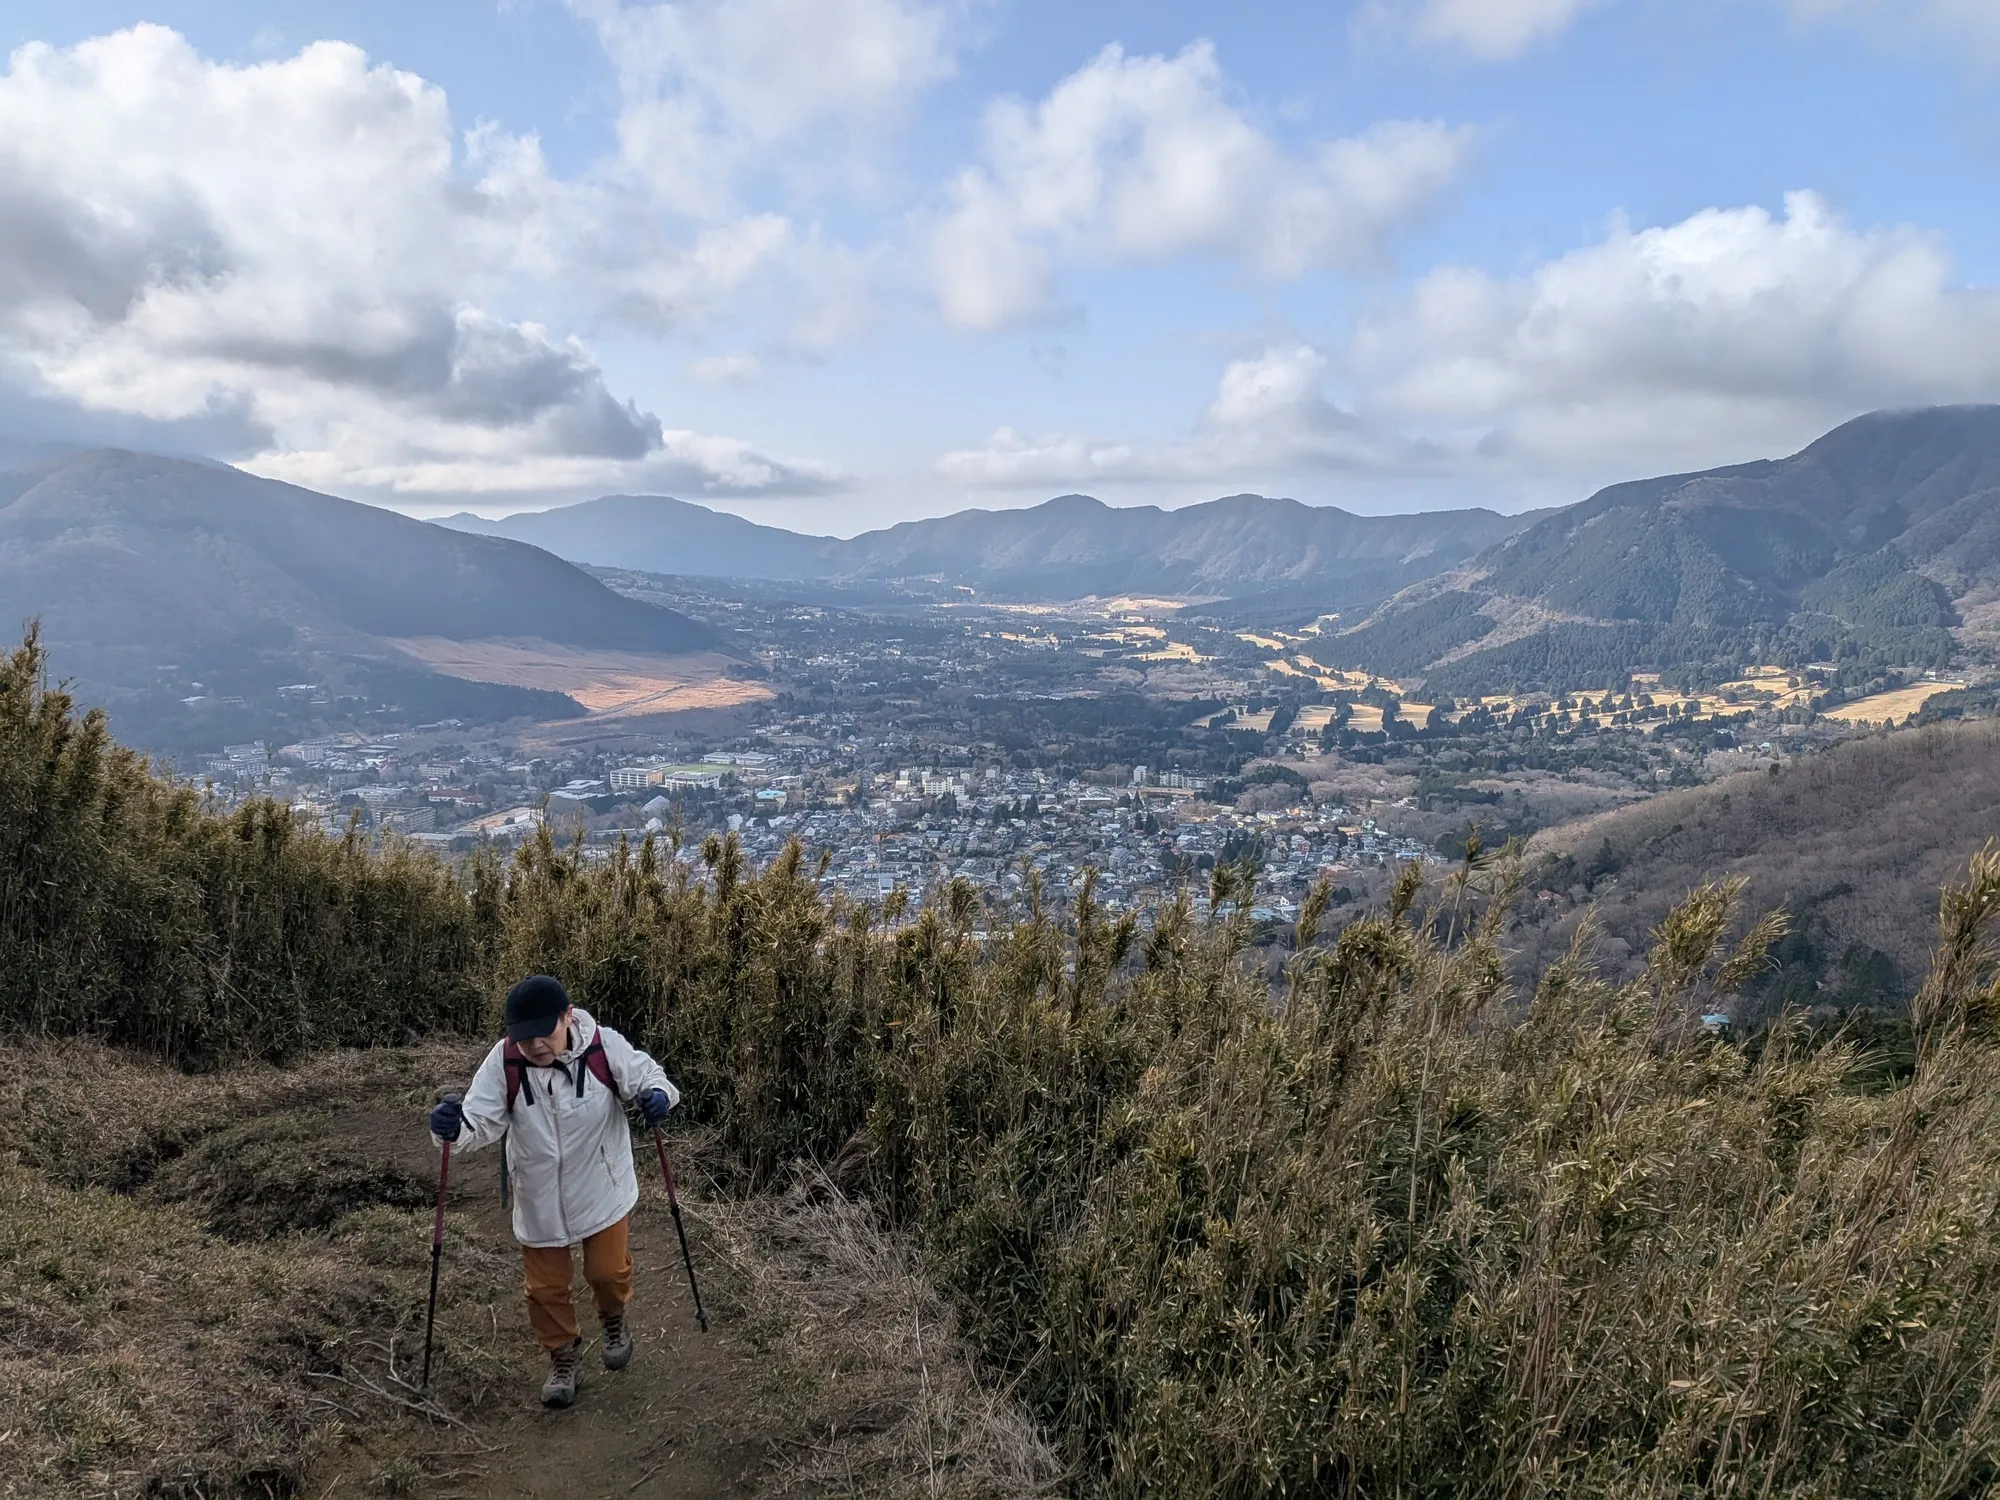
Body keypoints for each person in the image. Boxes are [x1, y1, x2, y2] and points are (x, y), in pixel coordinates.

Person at [428, 974, 679, 1407]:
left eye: (543, 1034)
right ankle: (563, 1357)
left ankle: (613, 1318)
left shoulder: (602, 1046)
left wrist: (658, 1096)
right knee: (544, 1291)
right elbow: (478, 1119)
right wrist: (451, 1130)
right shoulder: (504, 1061)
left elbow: (650, 1077)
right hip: (537, 1194)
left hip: (602, 1186)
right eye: (524, 1039)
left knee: (607, 1273)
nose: (535, 1046)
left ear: (566, 1017)